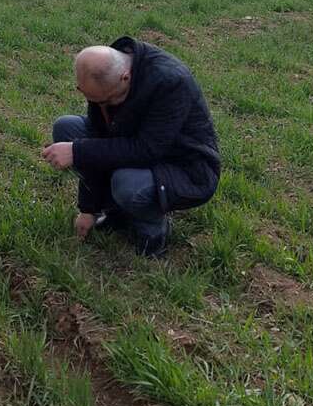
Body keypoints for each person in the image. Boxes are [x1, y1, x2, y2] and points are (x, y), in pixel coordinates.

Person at [42, 38, 221, 257]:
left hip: (183, 165)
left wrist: (77, 152)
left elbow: (147, 150)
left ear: (125, 77)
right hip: (136, 145)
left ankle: (152, 232)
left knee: (126, 183)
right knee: (67, 128)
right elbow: (99, 135)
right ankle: (114, 210)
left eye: (104, 101)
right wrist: (88, 209)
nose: (100, 107)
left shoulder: (170, 82)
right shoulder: (105, 74)